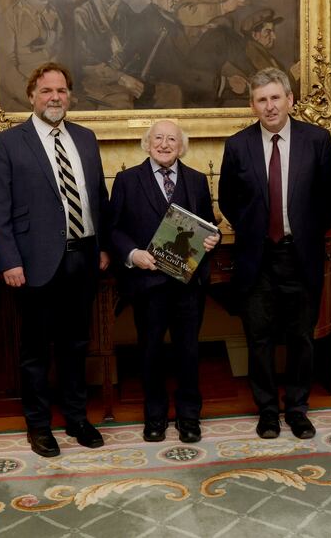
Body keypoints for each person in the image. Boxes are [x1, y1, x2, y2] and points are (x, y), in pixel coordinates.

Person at [0, 61, 110, 455]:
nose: (54, 97)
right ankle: (38, 426)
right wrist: (9, 260)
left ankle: (77, 419)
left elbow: (97, 197)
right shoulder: (9, 142)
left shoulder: (85, 138)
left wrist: (103, 246)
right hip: (34, 263)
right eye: (46, 91)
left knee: (76, 345)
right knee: (36, 351)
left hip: (83, 258)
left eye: (60, 91)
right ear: (31, 97)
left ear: (69, 96)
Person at [218, 68, 331, 439]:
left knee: (301, 337)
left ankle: (298, 409)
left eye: (275, 97)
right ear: (252, 105)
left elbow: (330, 196)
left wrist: (307, 231)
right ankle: (268, 411)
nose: (269, 106)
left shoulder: (316, 140)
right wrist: (253, 230)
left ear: (289, 100)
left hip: (301, 256)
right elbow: (227, 199)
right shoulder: (237, 146)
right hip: (257, 260)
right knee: (259, 340)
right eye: (261, 100)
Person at [109, 120, 220, 443]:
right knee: (150, 352)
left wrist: (212, 238)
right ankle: (155, 417)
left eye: (172, 139)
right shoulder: (127, 180)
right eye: (158, 138)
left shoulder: (197, 180)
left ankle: (189, 417)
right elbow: (113, 229)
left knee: (189, 351)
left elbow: (208, 225)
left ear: (181, 146)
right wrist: (133, 255)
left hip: (188, 284)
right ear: (147, 143)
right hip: (148, 284)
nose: (164, 144)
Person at [73, 0, 143, 109]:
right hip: (92, 81)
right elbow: (84, 63)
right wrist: (120, 77)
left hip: (123, 75)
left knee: (170, 92)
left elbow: (135, 42)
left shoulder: (124, 10)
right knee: (125, 101)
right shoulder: (82, 15)